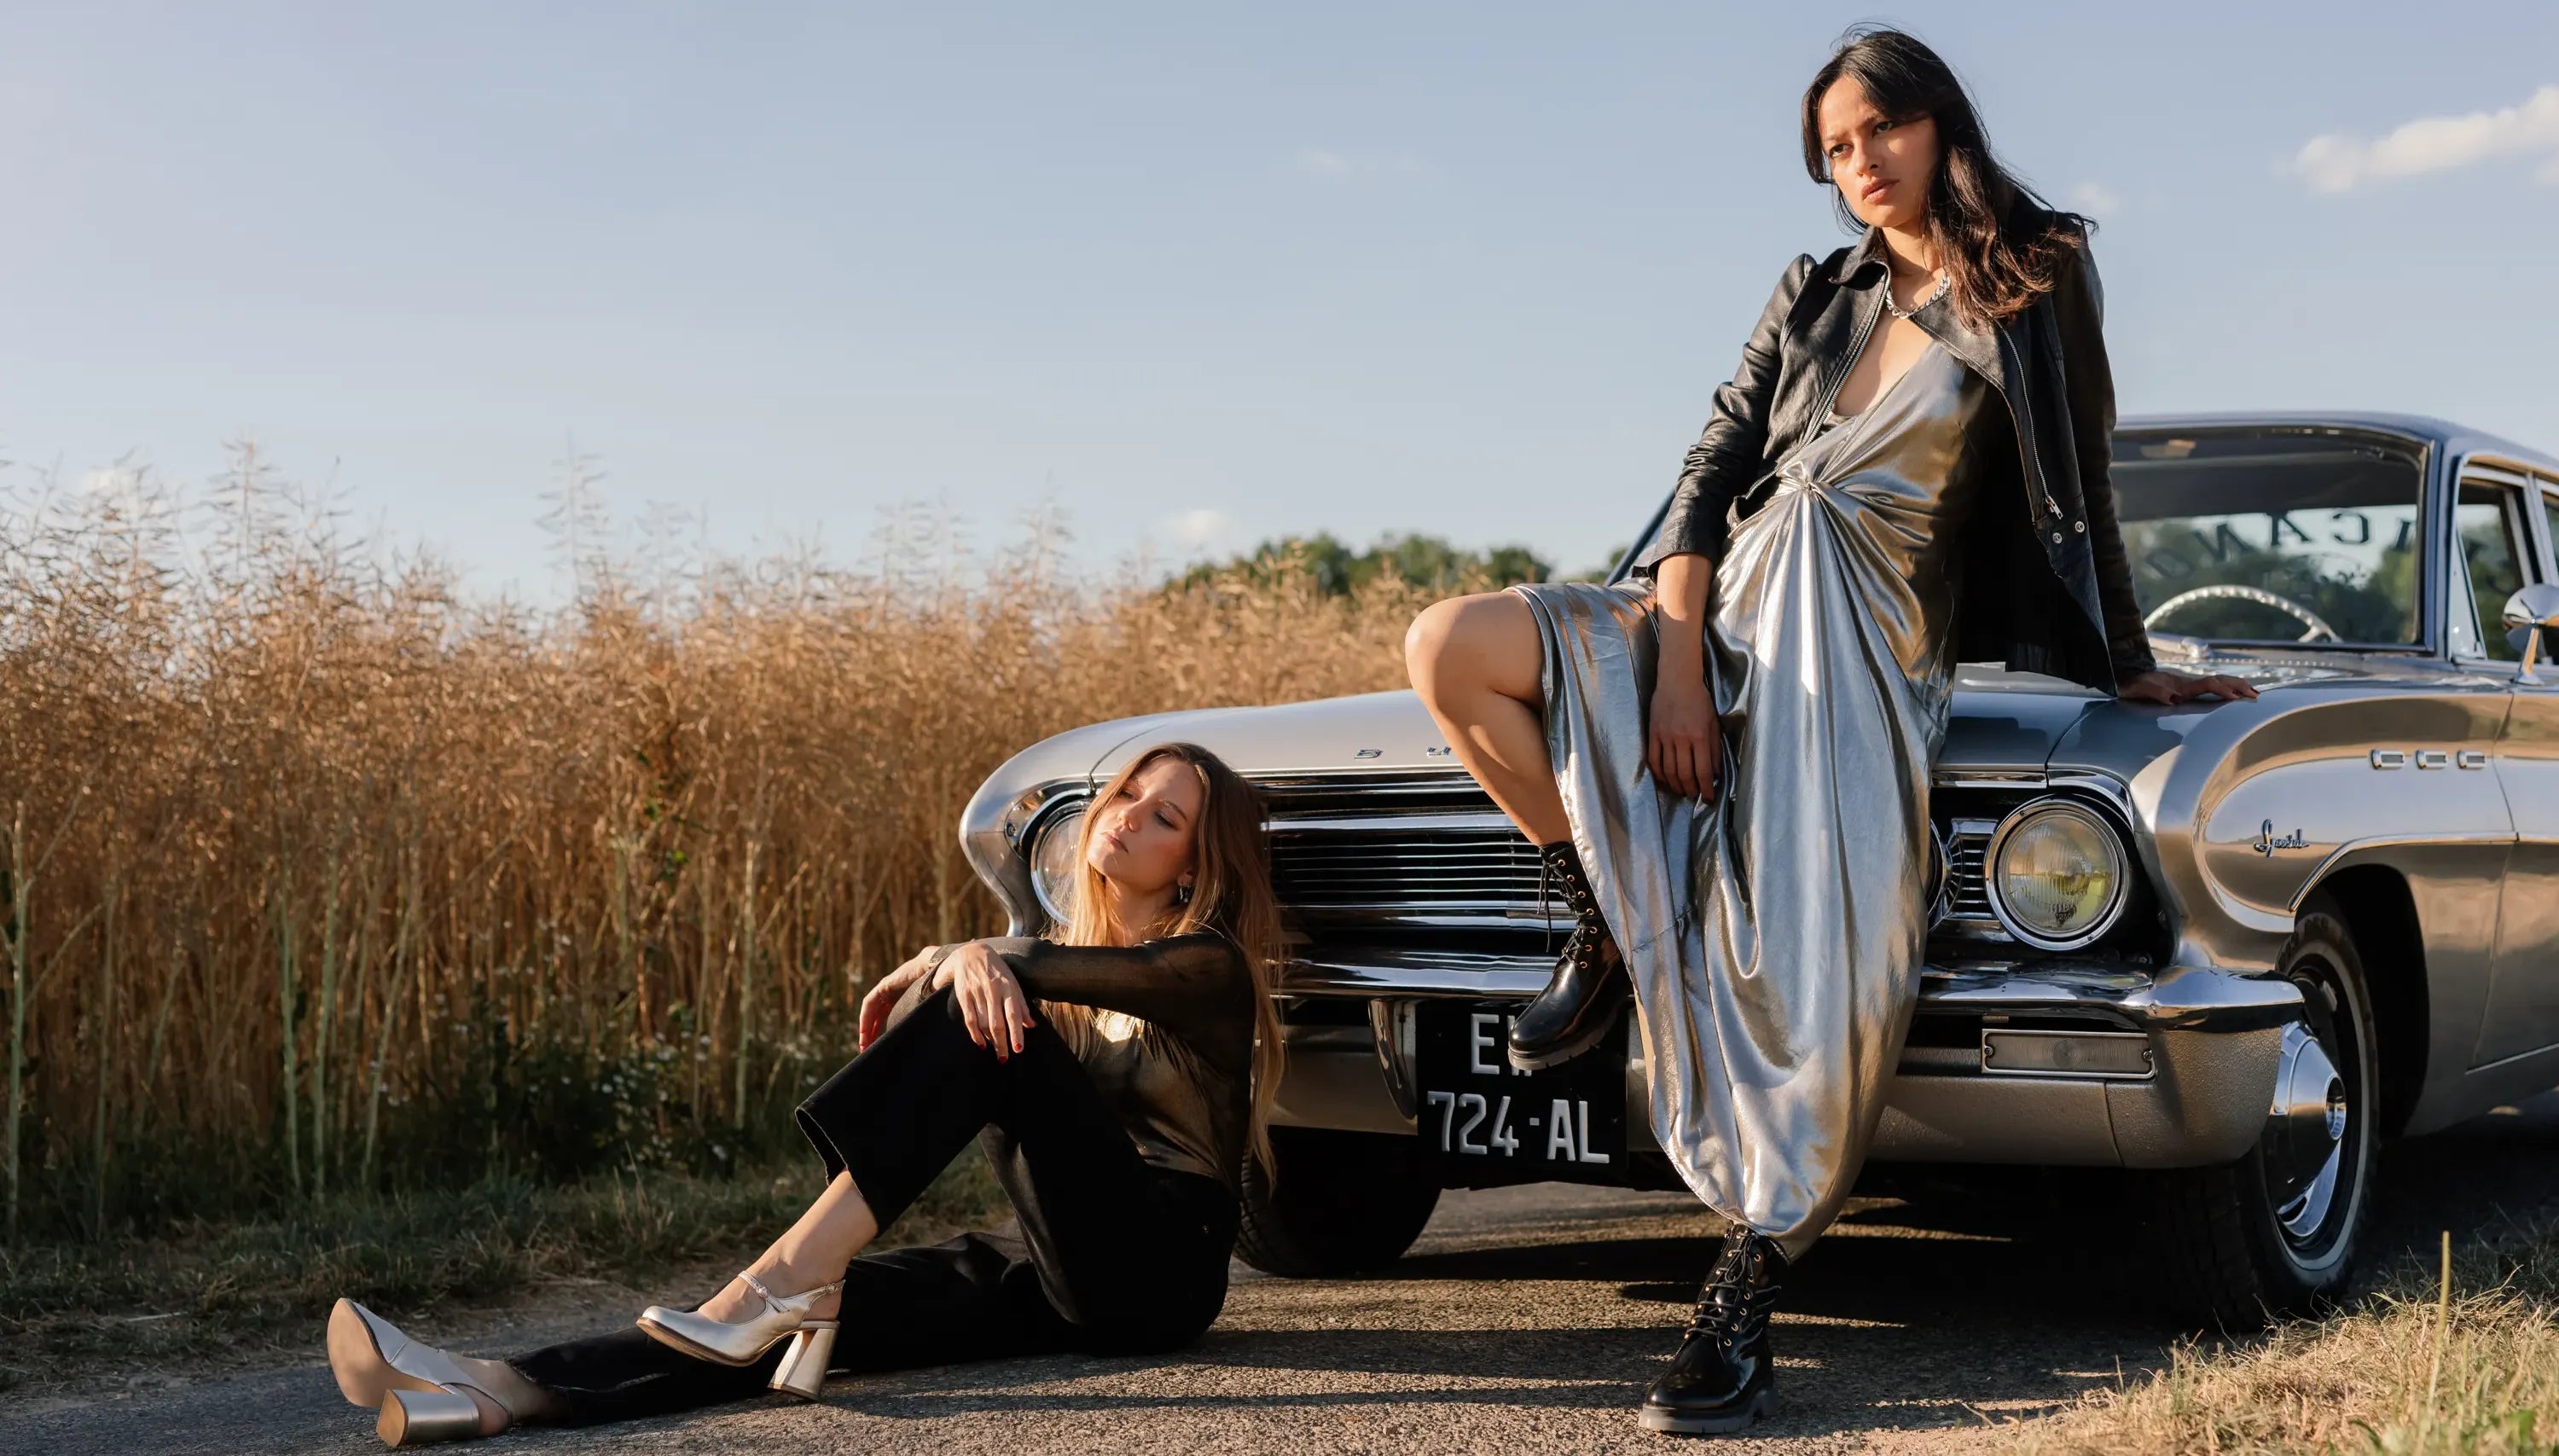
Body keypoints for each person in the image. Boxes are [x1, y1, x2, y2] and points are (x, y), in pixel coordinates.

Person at [1403, 26, 2257, 1437]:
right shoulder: (1815, 289)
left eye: (1878, 132)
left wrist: (2128, 664)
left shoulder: (2038, 272)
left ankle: (1744, 1286)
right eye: (1835, 150)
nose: (1860, 164)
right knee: (1450, 647)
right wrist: (1678, 664)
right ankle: (1602, 916)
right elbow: (1708, 472)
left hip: (1866, 638)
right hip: (1724, 608)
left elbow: (2080, 480)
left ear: (1940, 123)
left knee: (1828, 968)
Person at [322, 741, 1283, 1447]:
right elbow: (1033, 975)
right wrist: (974, 958)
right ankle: (501, 1390)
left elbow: (1027, 975)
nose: (1127, 815)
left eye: (1166, 818)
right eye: (1128, 792)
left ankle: (782, 1276)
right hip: (1060, 1257)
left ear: (1196, 865)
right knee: (795, 1323)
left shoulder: (1209, 969)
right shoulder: (1061, 956)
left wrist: (964, 954)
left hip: (1160, 1272)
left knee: (989, 1014)